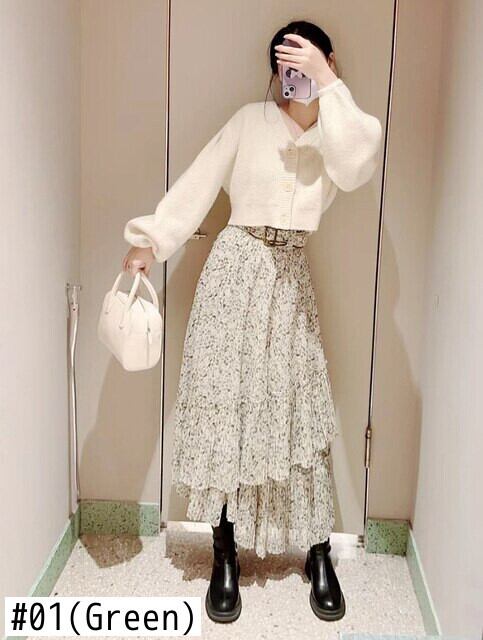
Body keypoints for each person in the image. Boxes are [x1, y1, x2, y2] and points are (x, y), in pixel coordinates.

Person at [122, 20, 382, 624]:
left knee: (299, 412)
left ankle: (317, 551)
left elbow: (356, 167)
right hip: (235, 272)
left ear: (327, 62)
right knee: (228, 410)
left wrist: (327, 83)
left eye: (305, 64)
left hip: (290, 280)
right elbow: (198, 182)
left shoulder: (341, 131)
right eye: (285, 67)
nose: (294, 77)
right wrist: (151, 240)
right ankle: (225, 552)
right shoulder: (248, 122)